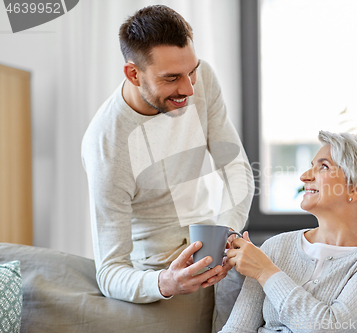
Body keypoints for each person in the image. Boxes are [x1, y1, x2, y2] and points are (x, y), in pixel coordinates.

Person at [81, 5, 254, 332]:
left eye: (192, 71)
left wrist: (226, 234)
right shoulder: (107, 145)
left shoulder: (200, 81)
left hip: (211, 255)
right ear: (133, 74)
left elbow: (236, 171)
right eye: (172, 78)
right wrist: (166, 282)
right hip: (157, 275)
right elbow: (110, 272)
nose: (189, 89)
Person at [221, 131, 357, 333]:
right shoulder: (277, 247)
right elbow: (236, 329)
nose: (304, 176)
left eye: (323, 167)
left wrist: (265, 272)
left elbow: (334, 330)